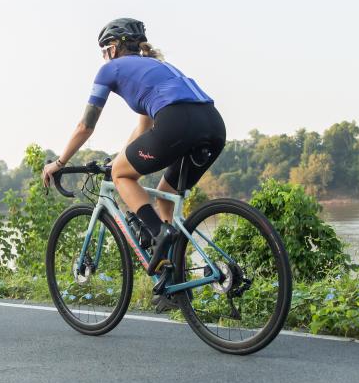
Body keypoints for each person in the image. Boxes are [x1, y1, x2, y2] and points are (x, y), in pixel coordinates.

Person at [42, 18, 226, 306]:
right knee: (165, 200)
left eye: (104, 51)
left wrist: (60, 162)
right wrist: (119, 158)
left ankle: (159, 232)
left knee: (122, 176)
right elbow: (143, 129)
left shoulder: (110, 69)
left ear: (113, 49)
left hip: (177, 122)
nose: (103, 57)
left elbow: (85, 126)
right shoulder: (157, 68)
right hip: (213, 125)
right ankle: (175, 284)